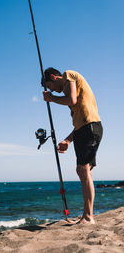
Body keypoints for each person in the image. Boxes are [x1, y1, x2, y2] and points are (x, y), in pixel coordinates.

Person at [42, 68, 103, 224]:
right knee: (84, 171)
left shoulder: (68, 74)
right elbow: (79, 123)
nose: (52, 90)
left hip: (90, 128)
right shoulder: (76, 102)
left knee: (83, 170)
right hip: (84, 129)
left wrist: (52, 98)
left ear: (54, 77)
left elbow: (71, 100)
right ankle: (87, 215)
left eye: (50, 86)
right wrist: (67, 141)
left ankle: (88, 217)